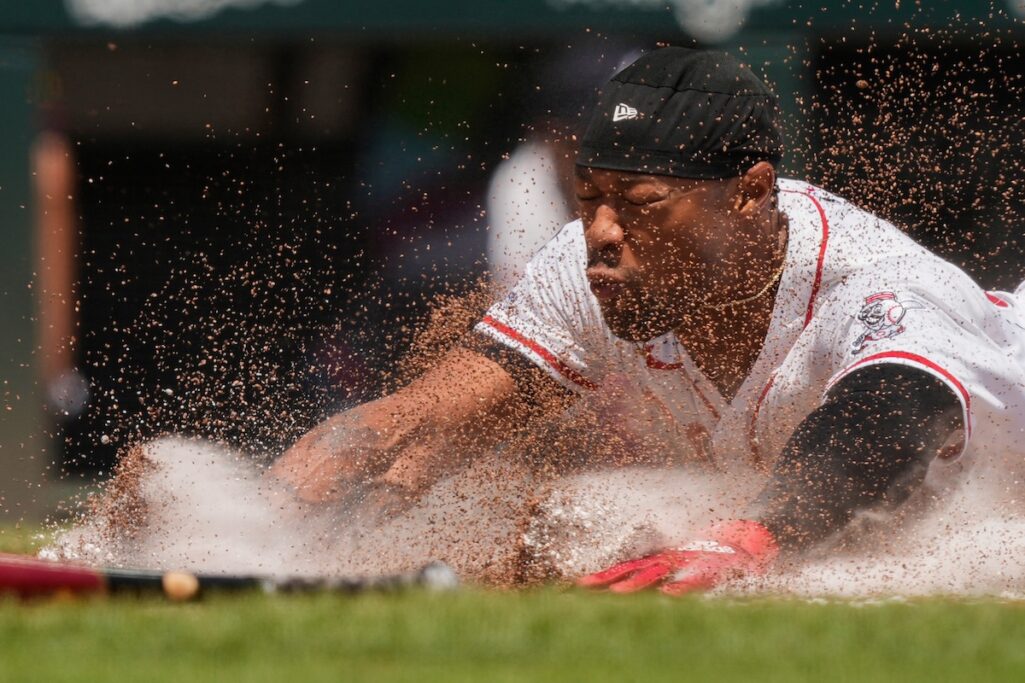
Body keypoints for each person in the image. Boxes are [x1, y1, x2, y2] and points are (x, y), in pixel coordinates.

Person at [270, 47, 1025, 594]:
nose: (601, 229)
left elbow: (891, 416)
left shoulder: (872, 281)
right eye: (588, 194)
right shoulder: (595, 262)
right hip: (855, 508)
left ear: (750, 192)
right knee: (565, 528)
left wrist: (747, 538)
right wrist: (256, 508)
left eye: (639, 200)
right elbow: (440, 411)